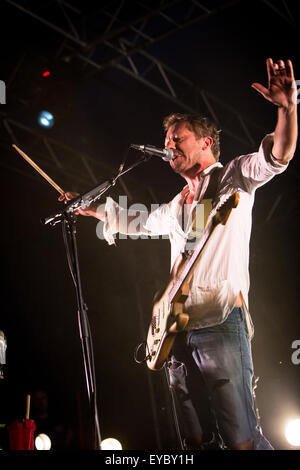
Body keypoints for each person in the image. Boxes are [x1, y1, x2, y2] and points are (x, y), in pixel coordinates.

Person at [59, 58, 297, 450]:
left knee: (240, 438)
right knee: (195, 440)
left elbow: (278, 157)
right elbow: (136, 221)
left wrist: (286, 109)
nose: (168, 147)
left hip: (220, 319)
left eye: (177, 139)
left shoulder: (232, 177)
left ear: (206, 142)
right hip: (177, 328)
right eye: (167, 141)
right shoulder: (178, 203)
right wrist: (90, 206)